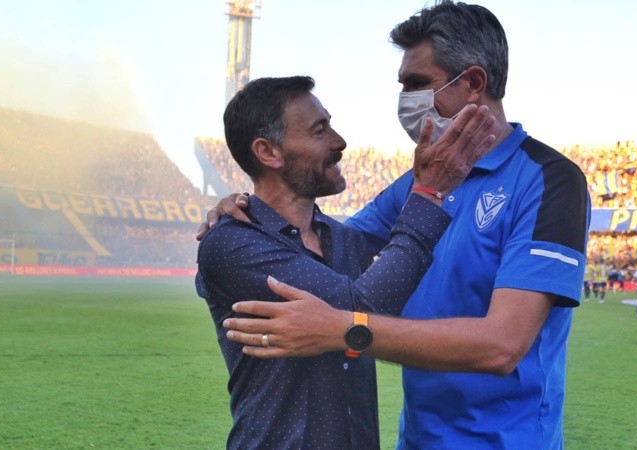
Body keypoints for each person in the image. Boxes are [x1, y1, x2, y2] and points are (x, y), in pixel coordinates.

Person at [200, 2, 591, 448]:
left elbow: (502, 345)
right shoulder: (417, 185)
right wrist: (252, 208)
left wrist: (345, 329)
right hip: (417, 440)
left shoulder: (549, 179)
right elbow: (323, 244)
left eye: (417, 84)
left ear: (474, 83)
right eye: (402, 85)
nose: (405, 100)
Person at [195, 76, 495, 449]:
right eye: (320, 130)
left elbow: (369, 321)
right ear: (269, 153)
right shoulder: (232, 243)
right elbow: (362, 312)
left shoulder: (345, 240)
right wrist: (429, 193)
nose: (339, 142)